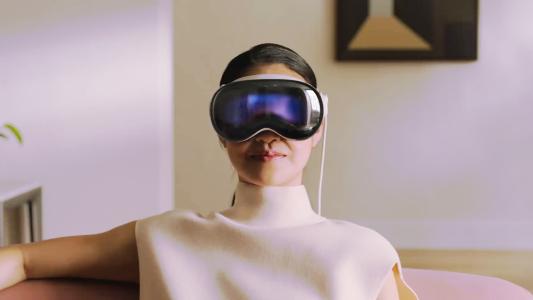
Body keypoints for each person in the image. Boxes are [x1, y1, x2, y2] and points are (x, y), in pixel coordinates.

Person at [0, 43, 419, 300]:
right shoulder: (166, 237)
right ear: (222, 131)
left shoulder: (364, 253)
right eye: (245, 113)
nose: (267, 135)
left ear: (318, 128)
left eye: (289, 111)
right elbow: (24, 259)